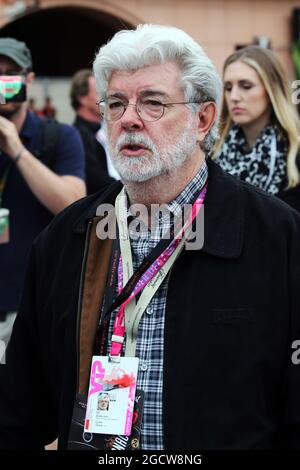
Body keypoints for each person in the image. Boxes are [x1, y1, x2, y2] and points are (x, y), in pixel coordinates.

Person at [0, 25, 300, 451]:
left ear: (203, 119)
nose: (129, 119)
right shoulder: (65, 239)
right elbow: (19, 411)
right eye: (116, 103)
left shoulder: (278, 238)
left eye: (153, 102)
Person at [0, 38, 86, 345]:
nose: (2, 82)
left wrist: (17, 149)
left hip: (30, 307)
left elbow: (73, 203)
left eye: (11, 73)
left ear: (29, 80)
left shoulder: (58, 136)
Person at [213, 45, 300, 211]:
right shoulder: (212, 154)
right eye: (228, 88)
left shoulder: (294, 155)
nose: (234, 97)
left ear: (271, 90)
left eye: (246, 86)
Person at [70, 69, 115, 195]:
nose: (106, 99)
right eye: (99, 93)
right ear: (82, 98)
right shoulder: (77, 136)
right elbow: (98, 181)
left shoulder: (106, 128)